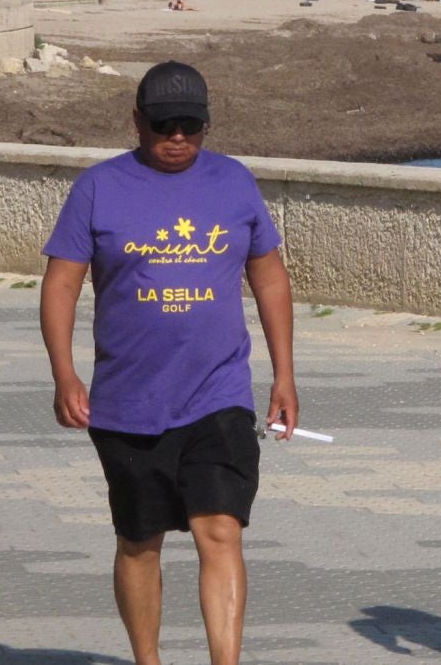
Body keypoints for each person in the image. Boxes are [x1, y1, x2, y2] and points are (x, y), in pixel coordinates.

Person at [39, 62, 298, 665]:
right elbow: (60, 286)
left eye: (190, 125)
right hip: (128, 401)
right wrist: (64, 373)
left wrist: (284, 374)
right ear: (137, 121)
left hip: (219, 393)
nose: (177, 137)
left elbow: (269, 276)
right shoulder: (99, 188)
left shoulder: (234, 182)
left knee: (220, 529)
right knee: (139, 541)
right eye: (163, 125)